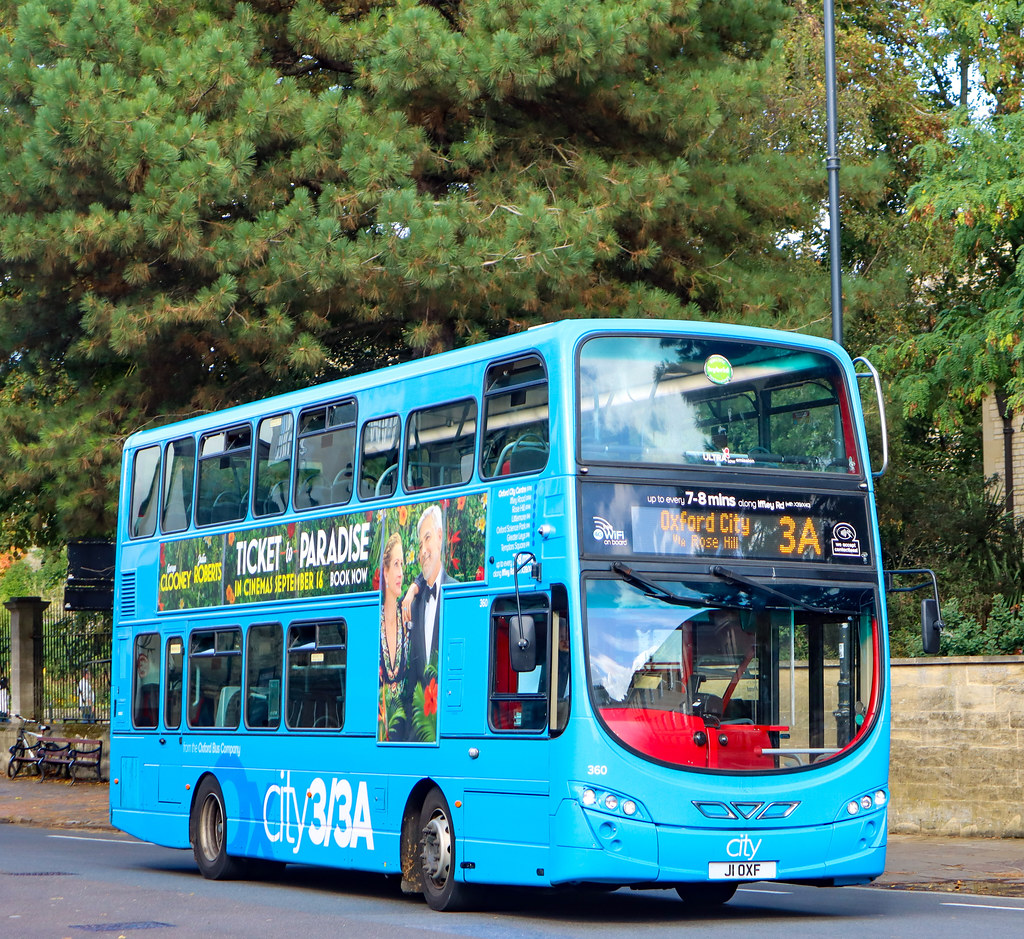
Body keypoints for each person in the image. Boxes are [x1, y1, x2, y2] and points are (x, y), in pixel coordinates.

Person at [402, 505, 451, 739]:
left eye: (428, 538)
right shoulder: (415, 603)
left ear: (440, 537)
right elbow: (413, 677)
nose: (423, 550)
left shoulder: (457, 593)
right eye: (420, 544)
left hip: (449, 726)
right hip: (419, 732)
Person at [377, 531, 410, 742]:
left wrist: (413, 590)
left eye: (402, 565)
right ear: (386, 572)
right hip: (377, 732)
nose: (400, 573)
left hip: (405, 735)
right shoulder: (373, 622)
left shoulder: (407, 618)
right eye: (396, 565)